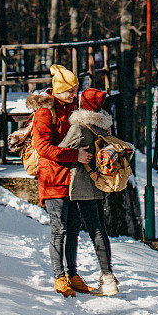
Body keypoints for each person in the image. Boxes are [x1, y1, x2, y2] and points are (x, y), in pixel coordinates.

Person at [29, 64, 93, 298]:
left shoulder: (70, 109)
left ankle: (72, 274)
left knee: (74, 228)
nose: (73, 95)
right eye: (69, 91)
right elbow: (43, 147)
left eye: (75, 90)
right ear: (57, 89)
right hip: (52, 178)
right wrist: (75, 155)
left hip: (73, 179)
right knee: (60, 230)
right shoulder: (45, 112)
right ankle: (59, 277)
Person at [59, 88, 120, 296]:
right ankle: (73, 273)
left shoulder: (80, 126)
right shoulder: (104, 125)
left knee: (93, 230)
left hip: (80, 185)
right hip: (98, 184)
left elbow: (61, 151)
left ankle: (107, 277)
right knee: (84, 228)